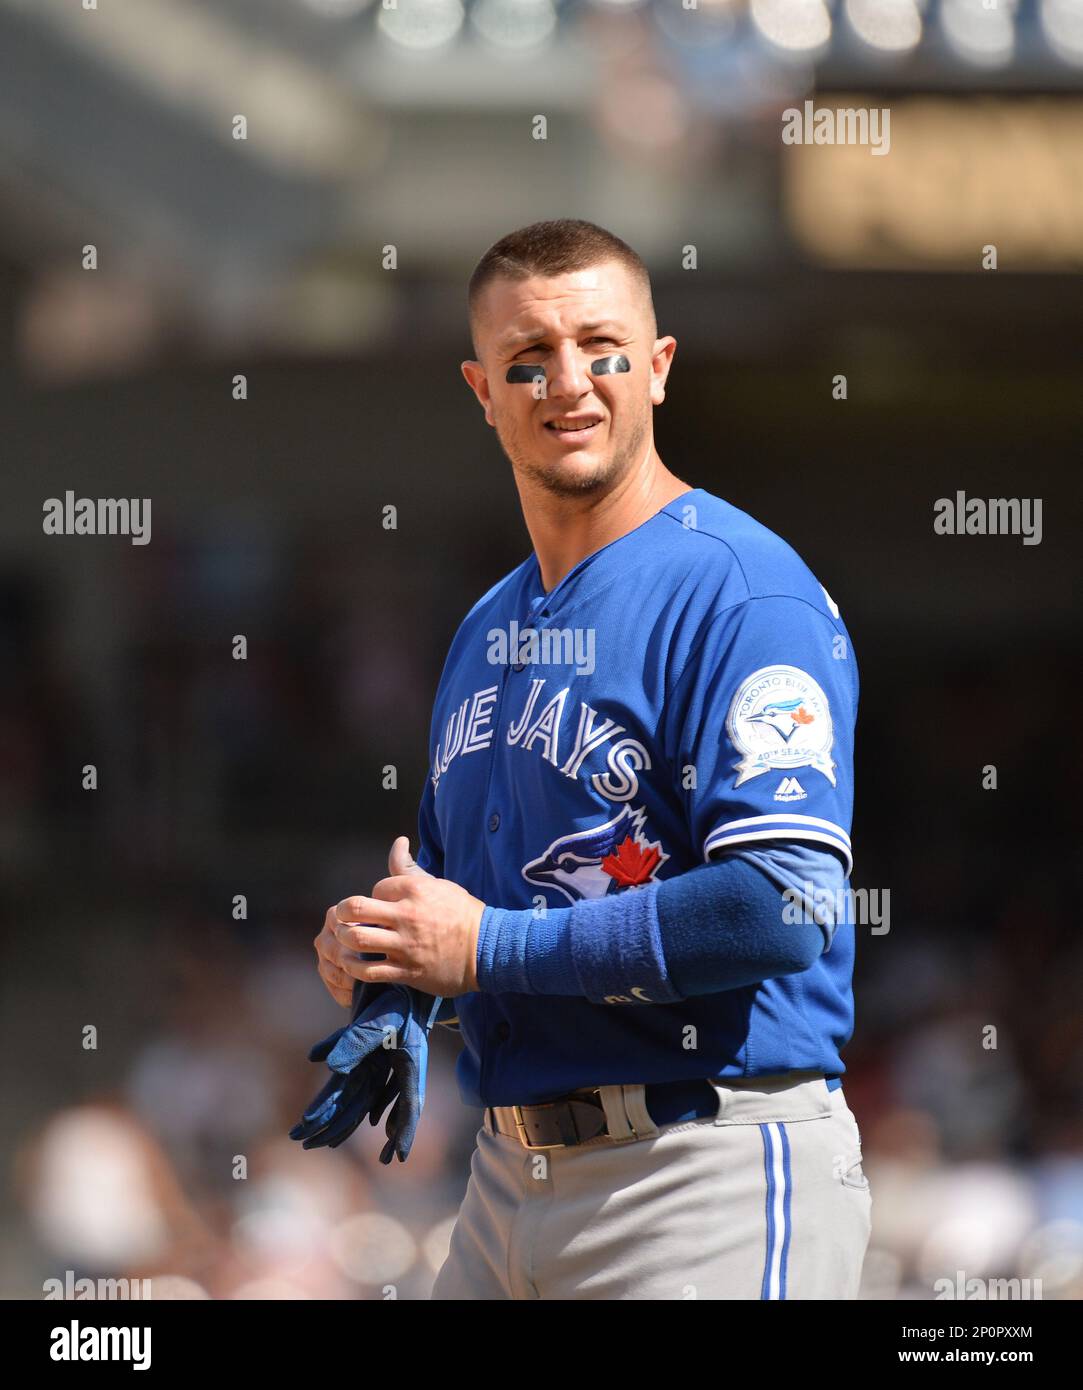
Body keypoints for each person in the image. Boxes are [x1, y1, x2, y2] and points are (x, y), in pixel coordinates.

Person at [300, 218, 871, 1300]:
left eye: (602, 348)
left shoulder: (743, 593)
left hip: (702, 1169)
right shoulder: (486, 627)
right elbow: (479, 915)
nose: (569, 382)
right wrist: (393, 964)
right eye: (528, 359)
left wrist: (483, 947)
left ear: (656, 368)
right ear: (482, 388)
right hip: (508, 1179)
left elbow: (781, 905)